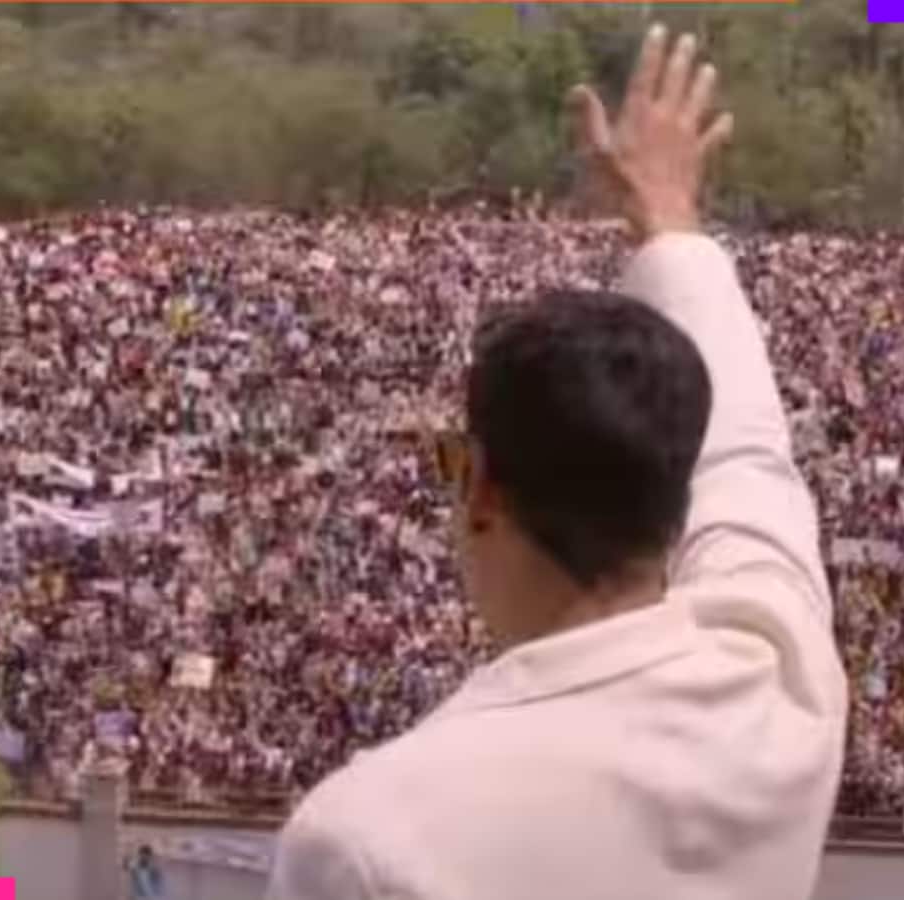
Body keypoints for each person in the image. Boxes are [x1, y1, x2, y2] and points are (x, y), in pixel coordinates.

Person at [265, 24, 847, 900]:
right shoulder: (777, 686)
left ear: (480, 487)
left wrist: (667, 223)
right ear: (673, 498)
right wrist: (672, 215)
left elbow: (742, 464)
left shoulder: (369, 840)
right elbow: (748, 460)